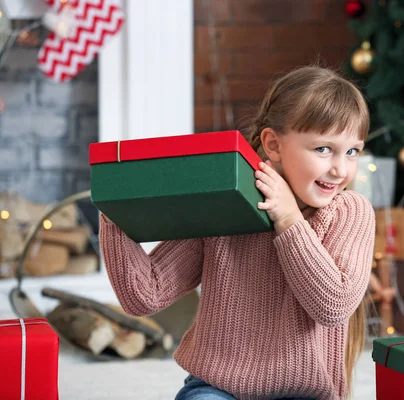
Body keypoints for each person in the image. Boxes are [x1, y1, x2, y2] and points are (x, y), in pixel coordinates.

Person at [99, 65, 375, 400]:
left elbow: (332, 305)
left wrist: (288, 219)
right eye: (322, 149)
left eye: (352, 151)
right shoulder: (226, 202)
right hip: (217, 387)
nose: (340, 169)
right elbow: (145, 295)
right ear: (273, 145)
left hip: (303, 393)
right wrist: (115, 213)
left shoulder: (349, 211)